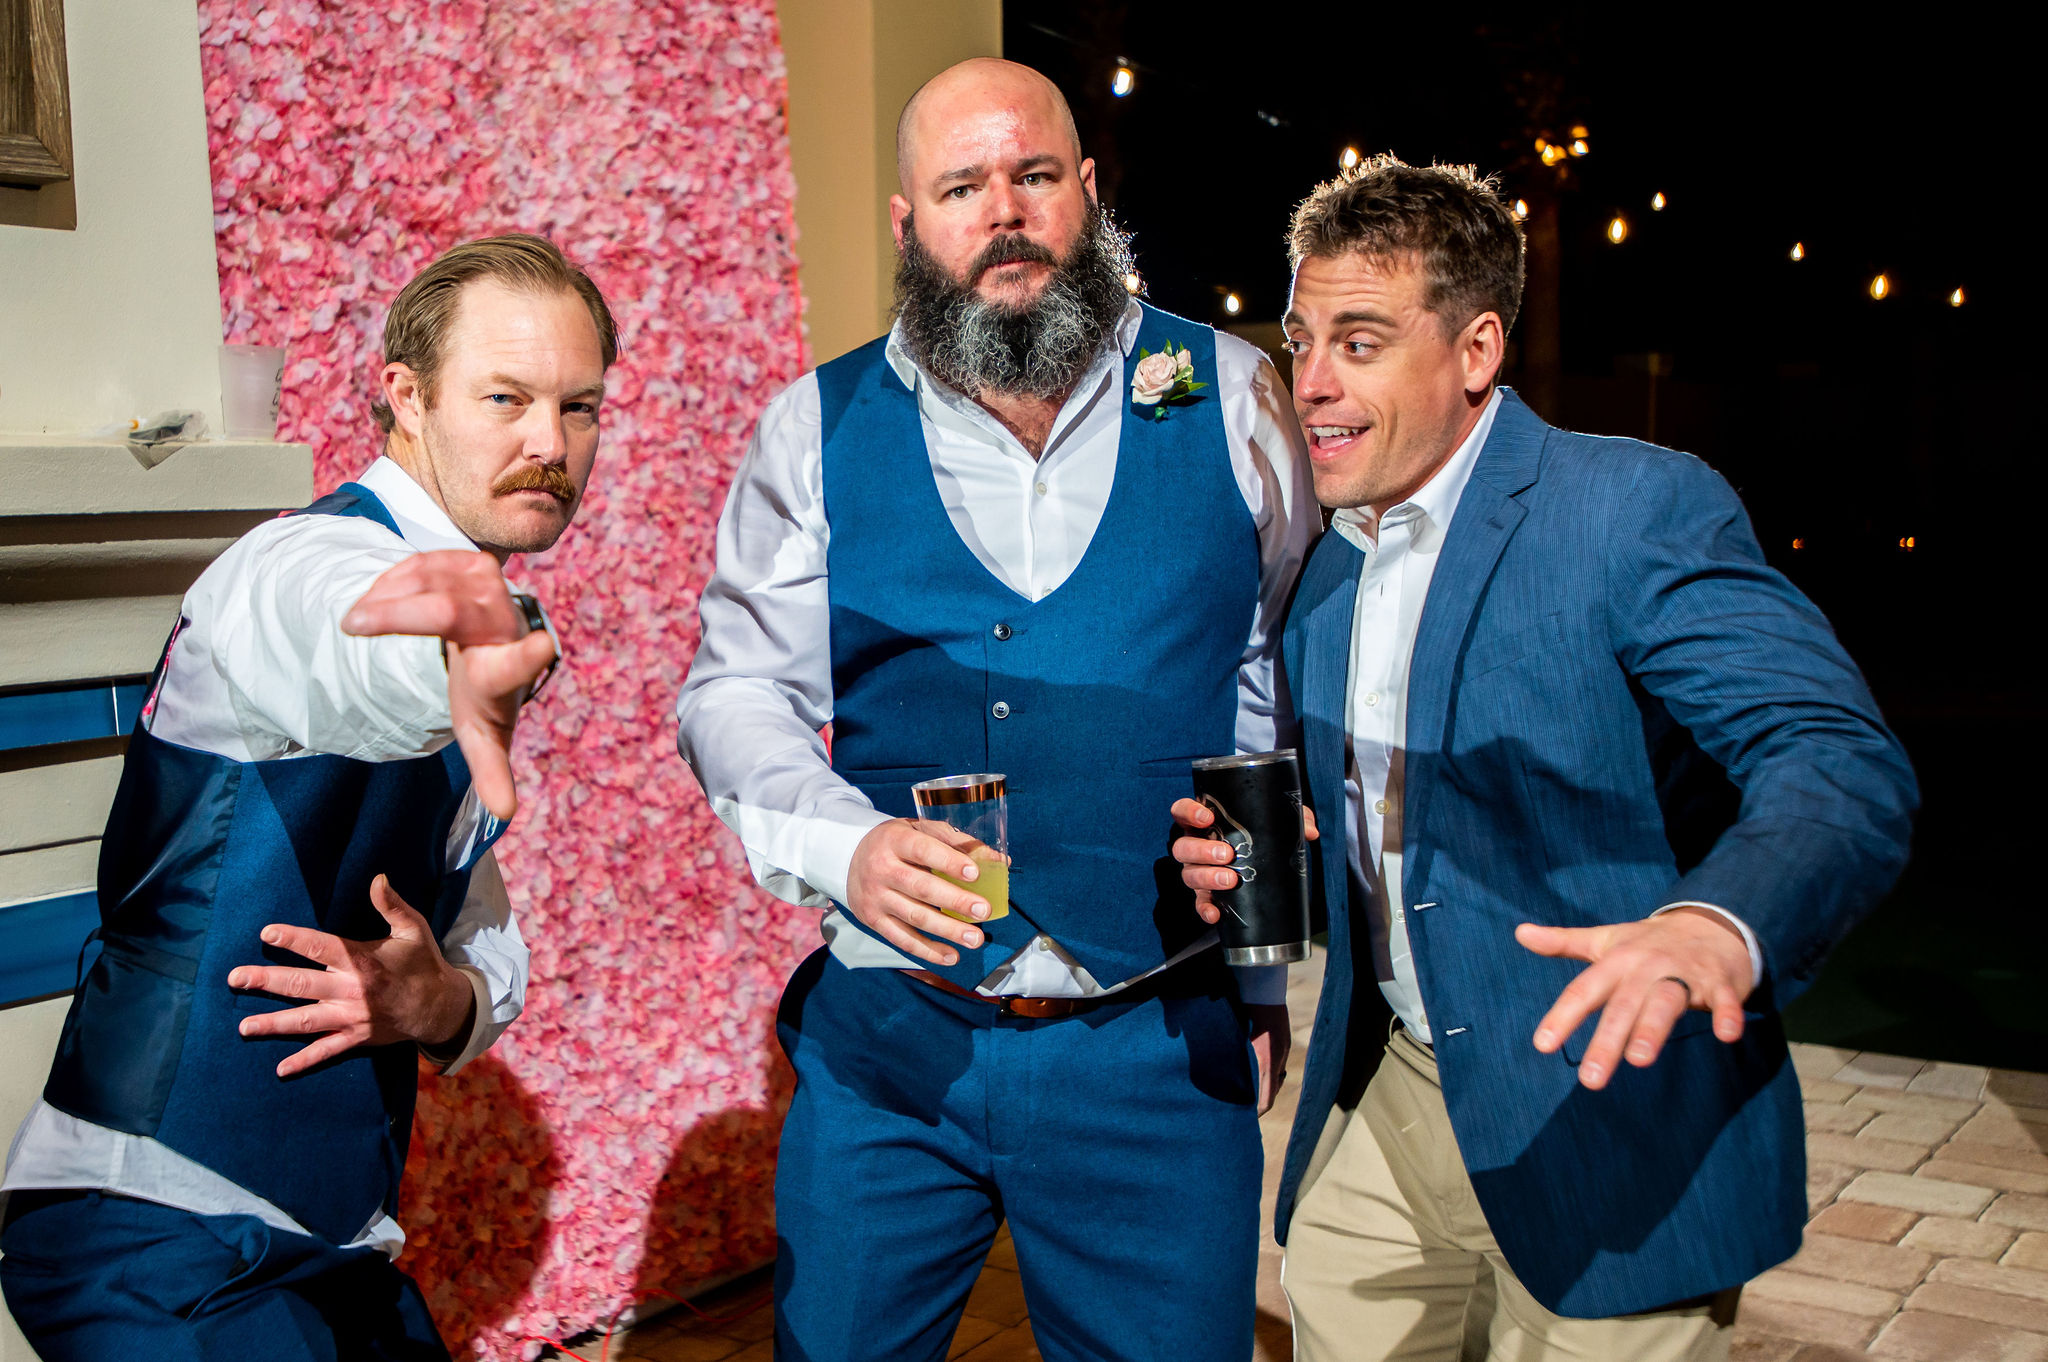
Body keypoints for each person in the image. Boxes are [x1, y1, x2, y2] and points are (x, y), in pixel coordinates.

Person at [1172, 157, 1918, 1361]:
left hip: (1606, 1122)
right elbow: (1382, 841)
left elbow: (1834, 757)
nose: (1308, 382)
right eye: (1300, 340)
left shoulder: (1627, 509)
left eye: (1359, 343)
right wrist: (1258, 869)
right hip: (1386, 1107)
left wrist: (1713, 925)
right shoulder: (1324, 563)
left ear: (1474, 350)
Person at [676, 57, 1315, 1362]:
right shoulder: (814, 425)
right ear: (909, 222)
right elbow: (736, 688)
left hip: (1157, 1040)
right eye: (963, 186)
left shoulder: (1228, 393)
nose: (1004, 212)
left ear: (1088, 188)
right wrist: (843, 845)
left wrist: (1257, 965)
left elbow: (1260, 673)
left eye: (1033, 175)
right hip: (890, 1047)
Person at [0, 233, 617, 1361]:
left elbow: (478, 935)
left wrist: (440, 1003)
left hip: (334, 1253)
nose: (549, 443)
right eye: (506, 398)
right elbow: (335, 638)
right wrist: (447, 649)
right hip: (154, 1234)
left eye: (578, 408)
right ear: (406, 397)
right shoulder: (285, 565)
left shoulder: (491, 648)